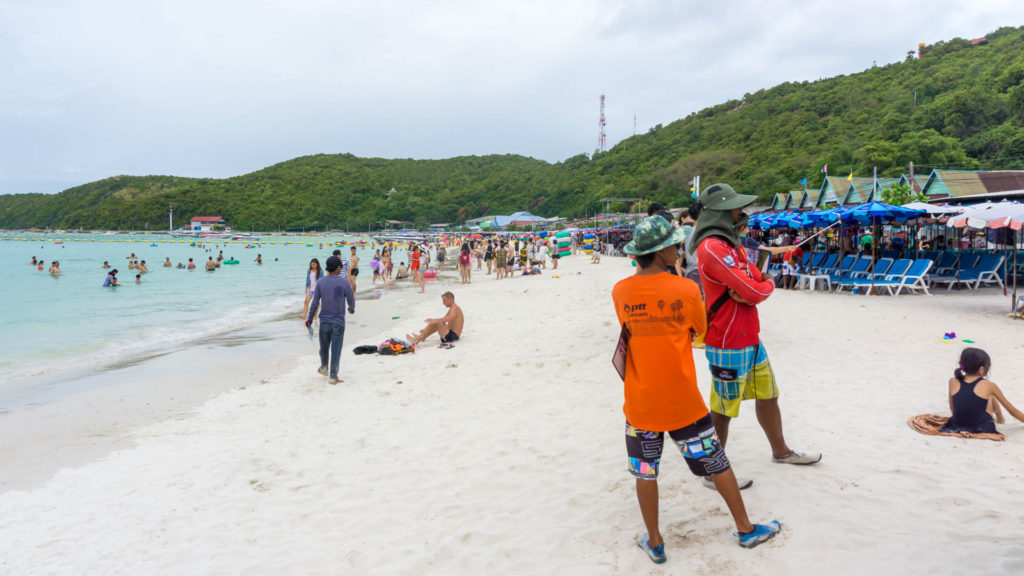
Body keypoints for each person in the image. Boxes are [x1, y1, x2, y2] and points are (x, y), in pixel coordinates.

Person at [613, 215, 780, 563]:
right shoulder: (686, 289)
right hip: (683, 402)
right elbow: (698, 328)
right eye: (674, 245)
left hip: (641, 403)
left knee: (646, 472)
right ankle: (746, 529)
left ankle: (656, 542)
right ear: (660, 252)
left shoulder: (621, 291)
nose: (678, 250)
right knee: (717, 463)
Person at [692, 183, 820, 487]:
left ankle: (781, 452)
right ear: (721, 212)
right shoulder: (712, 247)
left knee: (768, 394)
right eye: (736, 207)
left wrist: (762, 285)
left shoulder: (731, 243)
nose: (742, 212)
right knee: (723, 409)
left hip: (749, 335)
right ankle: (712, 471)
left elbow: (755, 280)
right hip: (727, 340)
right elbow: (751, 287)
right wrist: (759, 287)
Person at [941, 348, 1024, 434]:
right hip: (981, 428)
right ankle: (1000, 418)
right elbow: (1012, 411)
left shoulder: (952, 381)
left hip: (956, 425)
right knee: (989, 396)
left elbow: (952, 408)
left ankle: (1000, 418)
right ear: (981, 369)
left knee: (981, 396)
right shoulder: (989, 385)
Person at [305, 256, 356, 385]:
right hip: (338, 322)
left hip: (324, 321)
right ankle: (333, 376)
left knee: (323, 347)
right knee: (336, 349)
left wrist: (310, 319)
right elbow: (350, 299)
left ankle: (323, 367)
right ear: (338, 267)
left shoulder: (321, 282)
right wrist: (351, 308)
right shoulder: (345, 283)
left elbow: (315, 302)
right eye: (341, 267)